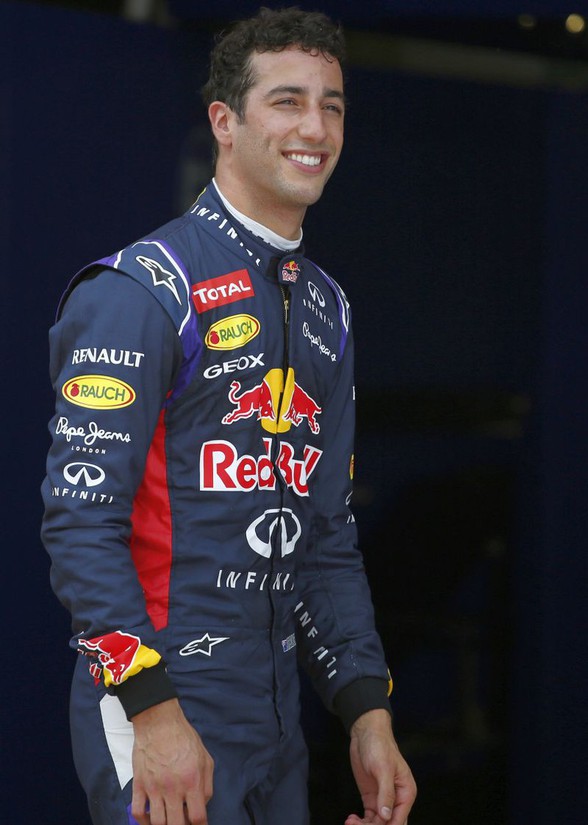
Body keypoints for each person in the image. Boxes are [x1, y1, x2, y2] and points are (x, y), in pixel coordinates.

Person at [41, 7, 416, 825]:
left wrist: (366, 711)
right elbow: (80, 524)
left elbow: (325, 536)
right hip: (162, 707)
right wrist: (152, 708)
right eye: (287, 101)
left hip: (275, 722)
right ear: (224, 121)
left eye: (331, 106)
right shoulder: (145, 290)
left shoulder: (327, 309)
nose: (314, 127)